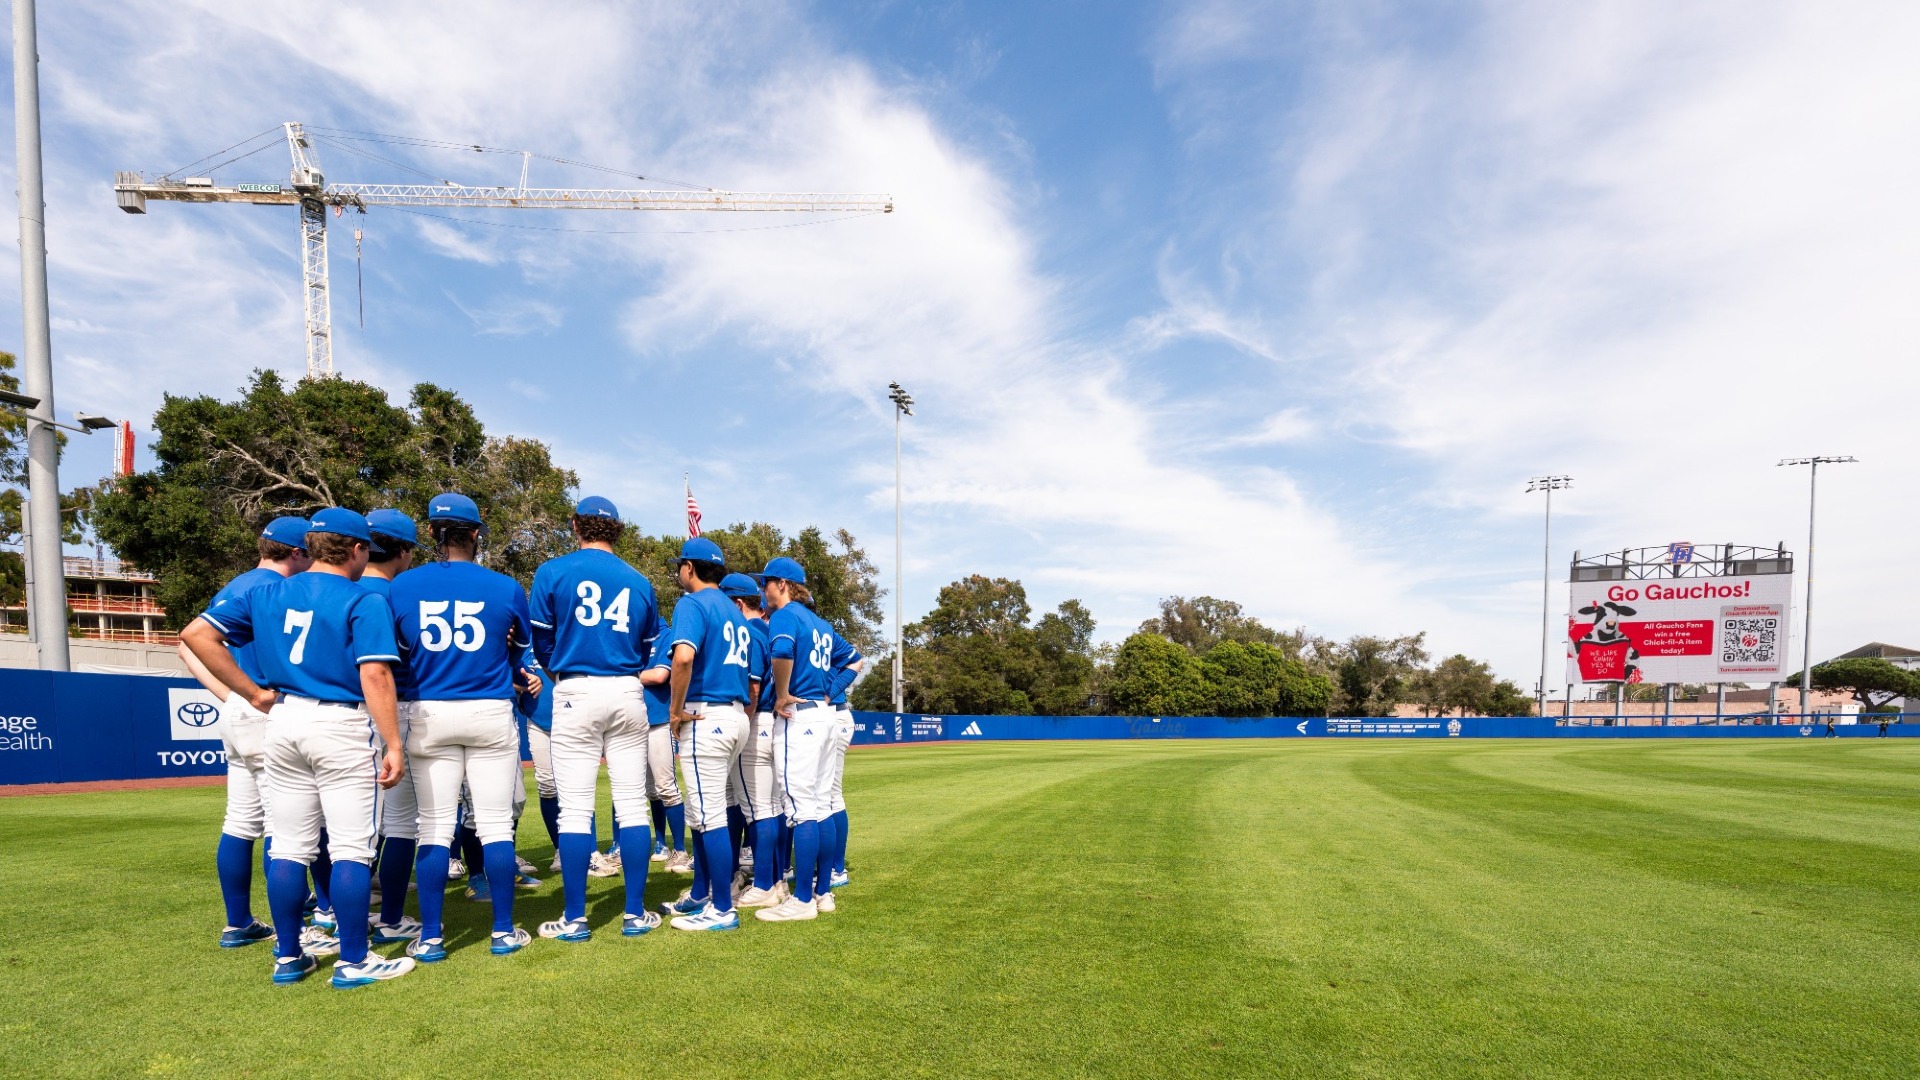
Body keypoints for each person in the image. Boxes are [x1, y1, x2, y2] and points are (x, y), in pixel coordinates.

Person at [182, 507, 415, 988]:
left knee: (288, 846)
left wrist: (251, 692)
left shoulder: (266, 591)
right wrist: (394, 742)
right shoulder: (362, 598)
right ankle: (354, 960)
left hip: (284, 719)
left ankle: (289, 956)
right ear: (355, 549)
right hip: (341, 723)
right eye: (363, 551)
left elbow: (195, 636)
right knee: (351, 848)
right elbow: (374, 673)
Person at [389, 493, 541, 959]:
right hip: (489, 709)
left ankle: (432, 936)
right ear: (476, 534)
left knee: (434, 827)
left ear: (434, 533)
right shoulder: (504, 585)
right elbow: (518, 649)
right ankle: (502, 931)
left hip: (427, 710)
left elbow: (394, 653)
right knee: (495, 826)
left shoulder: (402, 585)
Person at [528, 496, 662, 941]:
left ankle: (575, 918)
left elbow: (543, 645)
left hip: (574, 689)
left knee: (574, 811)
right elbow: (646, 649)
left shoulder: (553, 571)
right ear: (618, 531)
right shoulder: (639, 580)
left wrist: (562, 673)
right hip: (626, 688)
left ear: (574, 525)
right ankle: (633, 913)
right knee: (632, 806)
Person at [176, 516, 313, 950]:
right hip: (266, 708)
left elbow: (187, 642)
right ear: (296, 552)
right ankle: (295, 932)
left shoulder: (236, 585)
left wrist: (230, 694)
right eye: (309, 551)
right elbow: (191, 639)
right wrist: (251, 692)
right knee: (282, 826)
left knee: (239, 821)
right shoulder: (274, 589)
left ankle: (239, 923)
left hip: (238, 711)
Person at [658, 538, 753, 931]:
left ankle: (722, 908)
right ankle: (703, 894)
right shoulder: (736, 613)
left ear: (691, 568)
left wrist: (675, 710)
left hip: (705, 715)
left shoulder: (692, 604)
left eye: (680, 565)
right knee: (709, 811)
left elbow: (683, 657)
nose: (679, 571)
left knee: (709, 815)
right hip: (734, 716)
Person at [755, 557, 839, 923]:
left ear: (784, 585)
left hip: (800, 716)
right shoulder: (820, 622)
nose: (764, 590)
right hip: (823, 713)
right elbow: (852, 658)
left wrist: (783, 692)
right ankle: (822, 891)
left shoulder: (786, 614)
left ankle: (803, 898)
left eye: (768, 583)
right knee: (821, 805)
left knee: (803, 806)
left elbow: (783, 651)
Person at [361, 509, 425, 946]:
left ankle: (327, 911)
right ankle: (391, 917)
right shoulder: (396, 594)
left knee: (324, 827)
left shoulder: (334, 585)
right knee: (400, 823)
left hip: (311, 710)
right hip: (387, 710)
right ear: (401, 550)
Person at [719, 573, 783, 907]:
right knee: (767, 806)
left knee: (758, 809)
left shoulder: (751, 632)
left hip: (756, 721)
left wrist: (740, 726)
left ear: (739, 603)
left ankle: (765, 884)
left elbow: (754, 689)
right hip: (772, 722)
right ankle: (772, 879)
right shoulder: (771, 630)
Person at [638, 631, 693, 874]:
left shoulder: (665, 633)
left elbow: (660, 676)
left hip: (659, 719)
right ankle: (660, 844)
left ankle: (680, 849)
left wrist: (622, 675)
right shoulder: (631, 632)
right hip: (633, 720)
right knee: (651, 791)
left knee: (666, 787)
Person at [823, 625, 865, 892]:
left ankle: (837, 868)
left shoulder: (820, 632)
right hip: (820, 715)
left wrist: (832, 690)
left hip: (834, 713)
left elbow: (857, 660)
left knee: (830, 795)